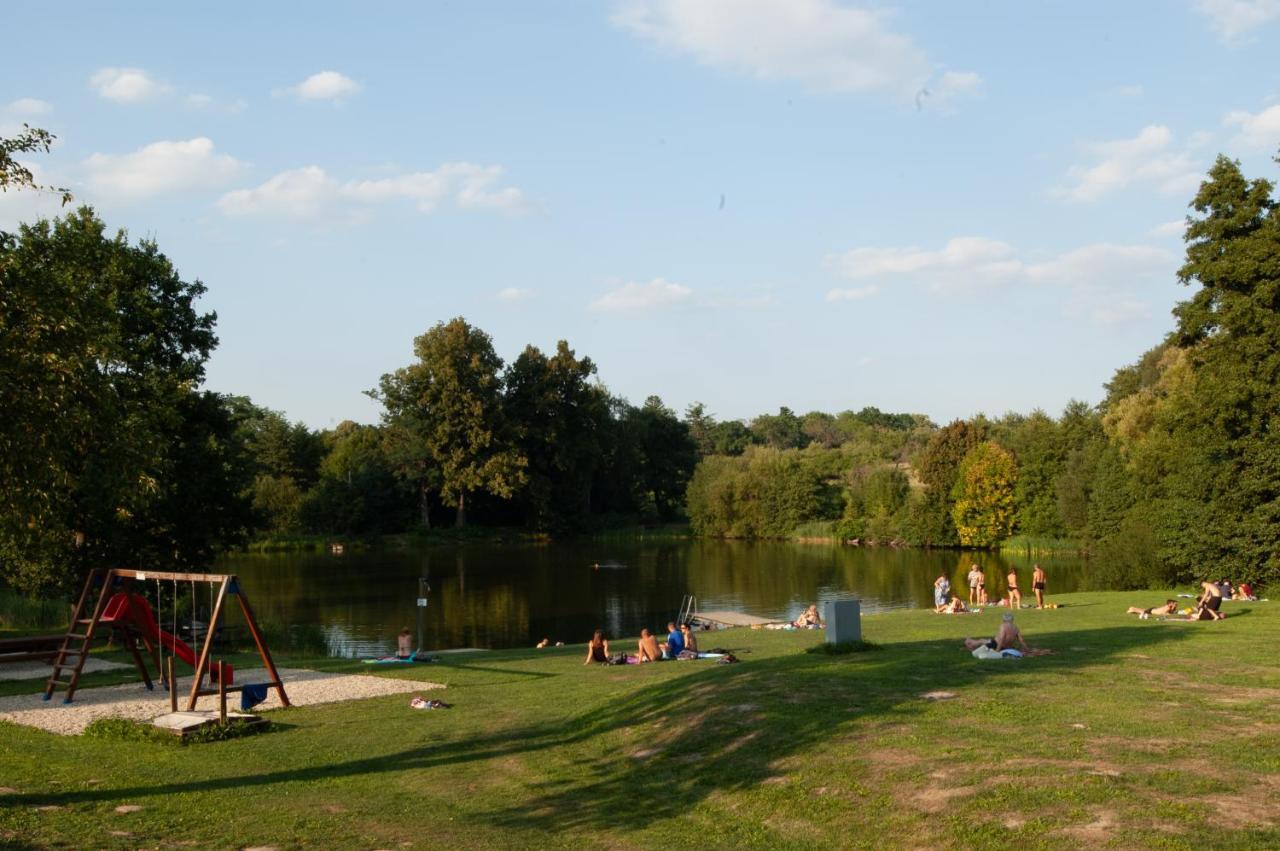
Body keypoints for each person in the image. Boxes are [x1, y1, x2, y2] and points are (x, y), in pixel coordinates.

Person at [964, 613, 1030, 653]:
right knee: (983, 640)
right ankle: (970, 641)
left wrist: (997, 650)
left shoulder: (1003, 626)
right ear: (1012, 620)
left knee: (981, 641)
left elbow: (1001, 639)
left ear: (1003, 620)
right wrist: (1026, 648)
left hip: (996, 645)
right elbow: (1021, 640)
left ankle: (968, 641)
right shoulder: (1015, 628)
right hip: (1007, 647)